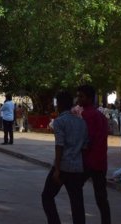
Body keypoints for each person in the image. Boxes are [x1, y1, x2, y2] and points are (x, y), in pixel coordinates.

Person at [42, 90, 88, 224]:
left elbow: (59, 146)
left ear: (59, 105)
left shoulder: (60, 121)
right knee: (77, 203)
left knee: (47, 196)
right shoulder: (81, 122)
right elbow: (84, 147)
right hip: (77, 166)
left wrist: (57, 169)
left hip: (63, 166)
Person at [77, 84, 111, 224]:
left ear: (89, 98)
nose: (78, 99)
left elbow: (87, 140)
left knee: (75, 190)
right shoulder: (100, 115)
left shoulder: (88, 115)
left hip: (89, 161)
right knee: (101, 197)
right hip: (101, 161)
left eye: (81, 96)